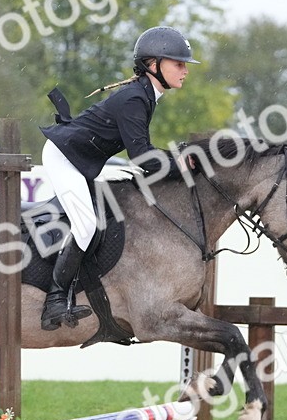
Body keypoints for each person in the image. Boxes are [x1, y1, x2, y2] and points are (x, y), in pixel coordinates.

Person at [37, 26, 198, 330]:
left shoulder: (145, 96)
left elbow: (145, 152)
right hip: (63, 157)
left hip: (80, 160)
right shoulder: (135, 99)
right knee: (85, 226)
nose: (185, 71)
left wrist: (175, 159)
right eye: (179, 63)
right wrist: (178, 164)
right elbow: (141, 156)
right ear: (154, 65)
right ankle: (54, 302)